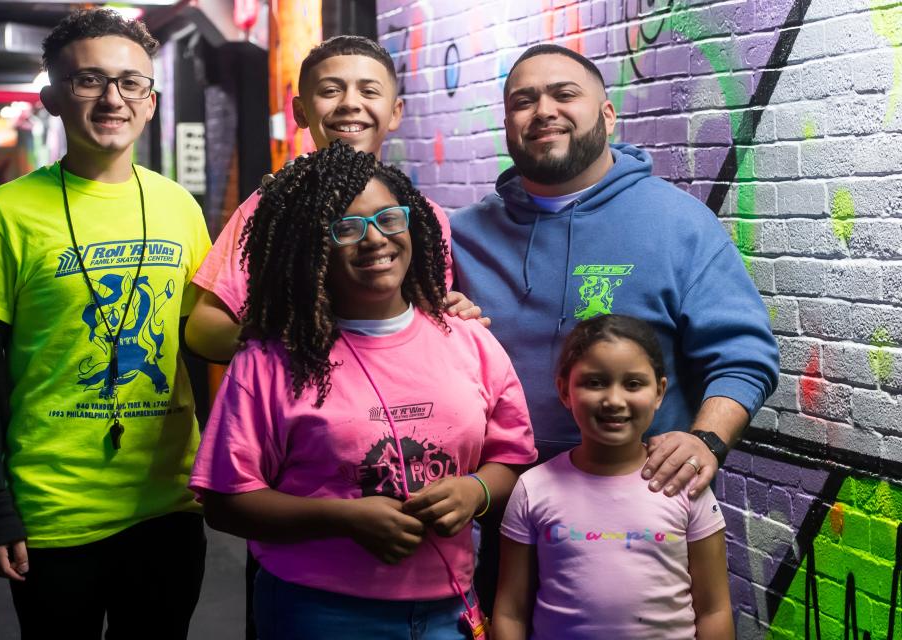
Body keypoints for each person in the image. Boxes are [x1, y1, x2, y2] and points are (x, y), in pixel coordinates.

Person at [188, 140, 537, 639]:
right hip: (319, 613)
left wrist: (475, 489)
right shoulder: (269, 360)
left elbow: (513, 456)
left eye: (389, 219)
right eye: (347, 228)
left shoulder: (470, 341)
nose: (375, 239)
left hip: (450, 609)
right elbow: (225, 502)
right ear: (314, 247)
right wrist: (343, 519)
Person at [0, 9, 210, 638]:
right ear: (54, 99)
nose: (112, 98)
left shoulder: (179, 208)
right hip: (52, 513)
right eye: (89, 81)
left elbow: (201, 345)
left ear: (151, 101)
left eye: (130, 83)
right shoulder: (7, 212)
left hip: (168, 506)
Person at [452, 43, 778, 488]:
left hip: (643, 518)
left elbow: (744, 358)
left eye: (564, 94)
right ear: (508, 124)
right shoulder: (461, 237)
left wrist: (707, 441)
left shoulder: (678, 223)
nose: (544, 110)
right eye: (523, 101)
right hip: (504, 513)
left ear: (607, 115)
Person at [185, 35, 481, 364]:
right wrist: (279, 348)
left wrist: (452, 313)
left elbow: (426, 313)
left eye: (369, 91)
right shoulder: (268, 209)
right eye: (330, 90)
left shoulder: (424, 217)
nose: (350, 103)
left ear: (395, 112)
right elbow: (203, 328)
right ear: (299, 112)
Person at [493, 314, 733, 639]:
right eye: (595, 382)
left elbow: (714, 610)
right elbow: (510, 612)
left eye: (633, 384)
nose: (614, 401)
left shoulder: (685, 484)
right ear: (565, 390)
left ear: (659, 392)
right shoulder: (533, 488)